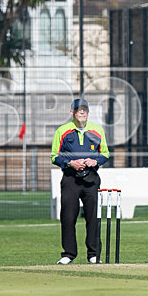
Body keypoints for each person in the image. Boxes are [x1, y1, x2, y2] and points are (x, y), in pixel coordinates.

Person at [51, 98, 109, 265]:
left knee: (93, 217)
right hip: (70, 179)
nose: (81, 112)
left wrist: (95, 162)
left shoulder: (97, 131)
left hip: (91, 179)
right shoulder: (62, 131)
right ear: (72, 113)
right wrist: (70, 163)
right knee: (68, 217)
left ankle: (93, 254)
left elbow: (105, 153)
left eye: (84, 110)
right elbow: (54, 156)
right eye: (78, 110)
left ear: (88, 113)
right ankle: (68, 254)